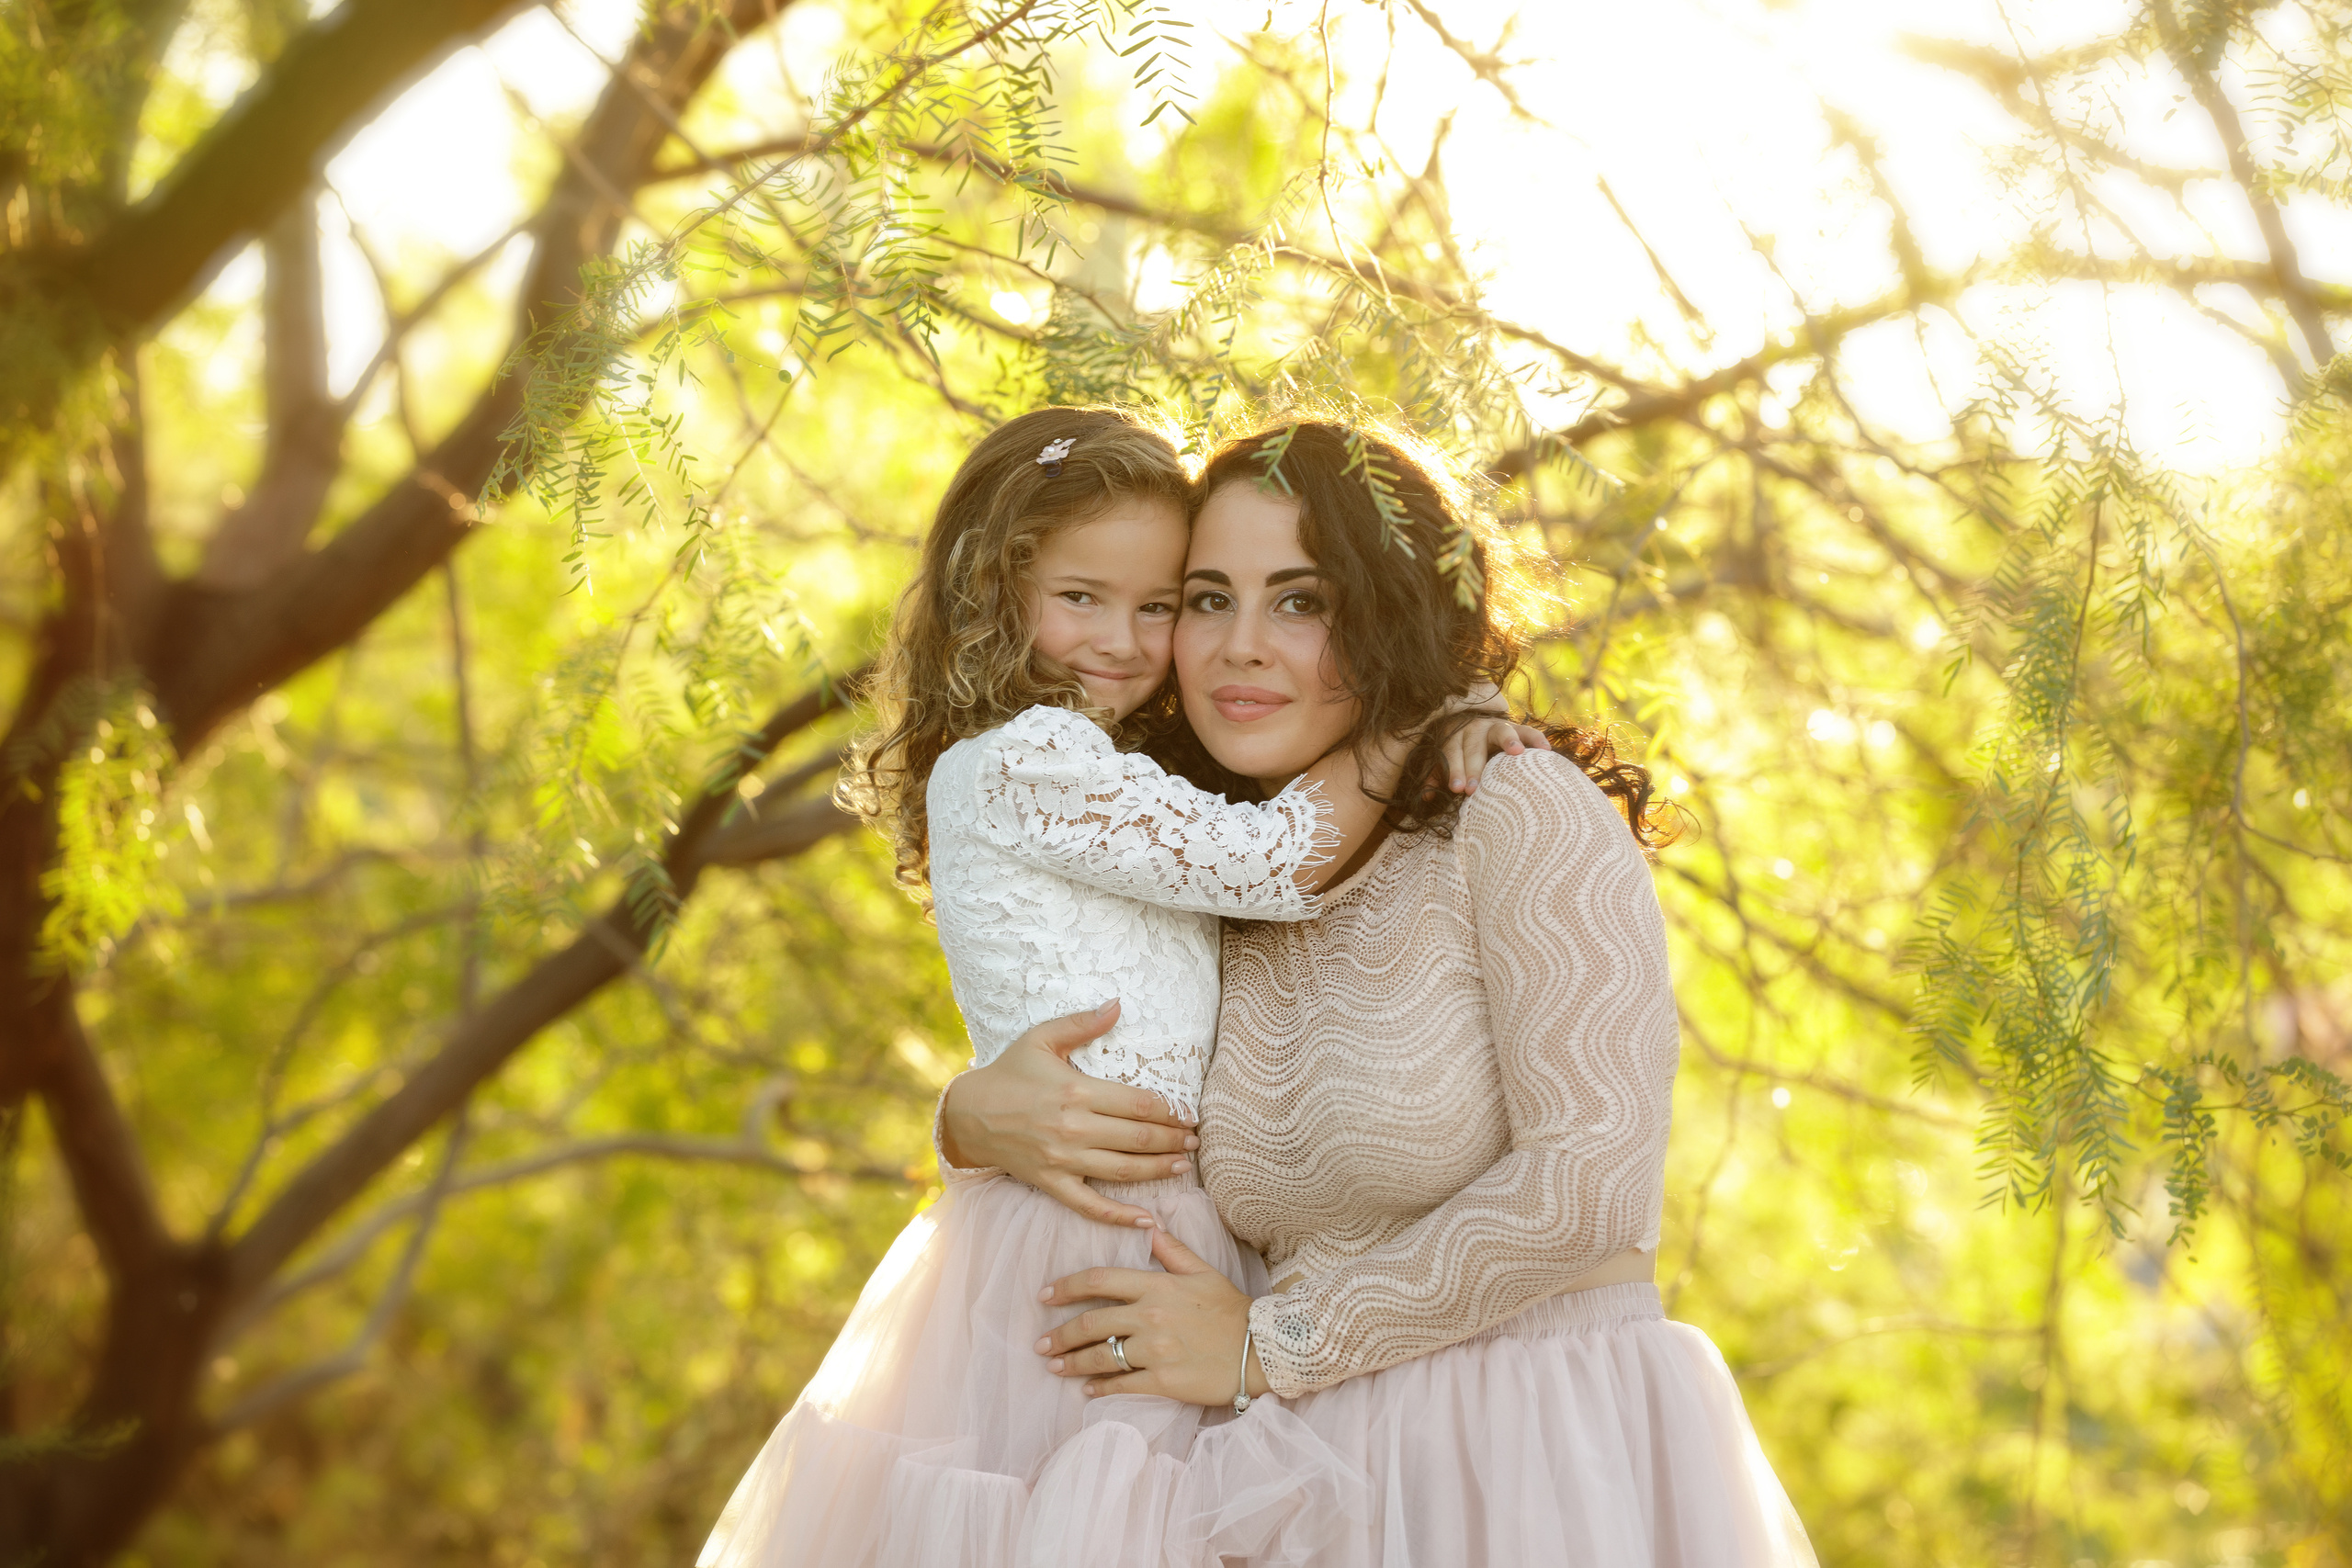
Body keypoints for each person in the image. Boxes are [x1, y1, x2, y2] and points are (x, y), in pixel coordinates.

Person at [944, 419, 1820, 1566]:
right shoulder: (1219, 876)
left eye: (1300, 601)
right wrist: (966, 1120)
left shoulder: (1515, 811)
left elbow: (1588, 1186)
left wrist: (1274, 1343)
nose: (1239, 647)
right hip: (1297, 1483)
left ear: (1391, 612)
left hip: (1528, 1460)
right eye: (1206, 600)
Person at [697, 407, 1539, 1568]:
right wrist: (1413, 723)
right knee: (1100, 1519)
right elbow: (1269, 862)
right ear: (995, 589)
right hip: (1088, 1232)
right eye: (1081, 598)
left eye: (1157, 606)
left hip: (1161, 1223)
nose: (1124, 641)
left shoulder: (1119, 769)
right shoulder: (1025, 763)